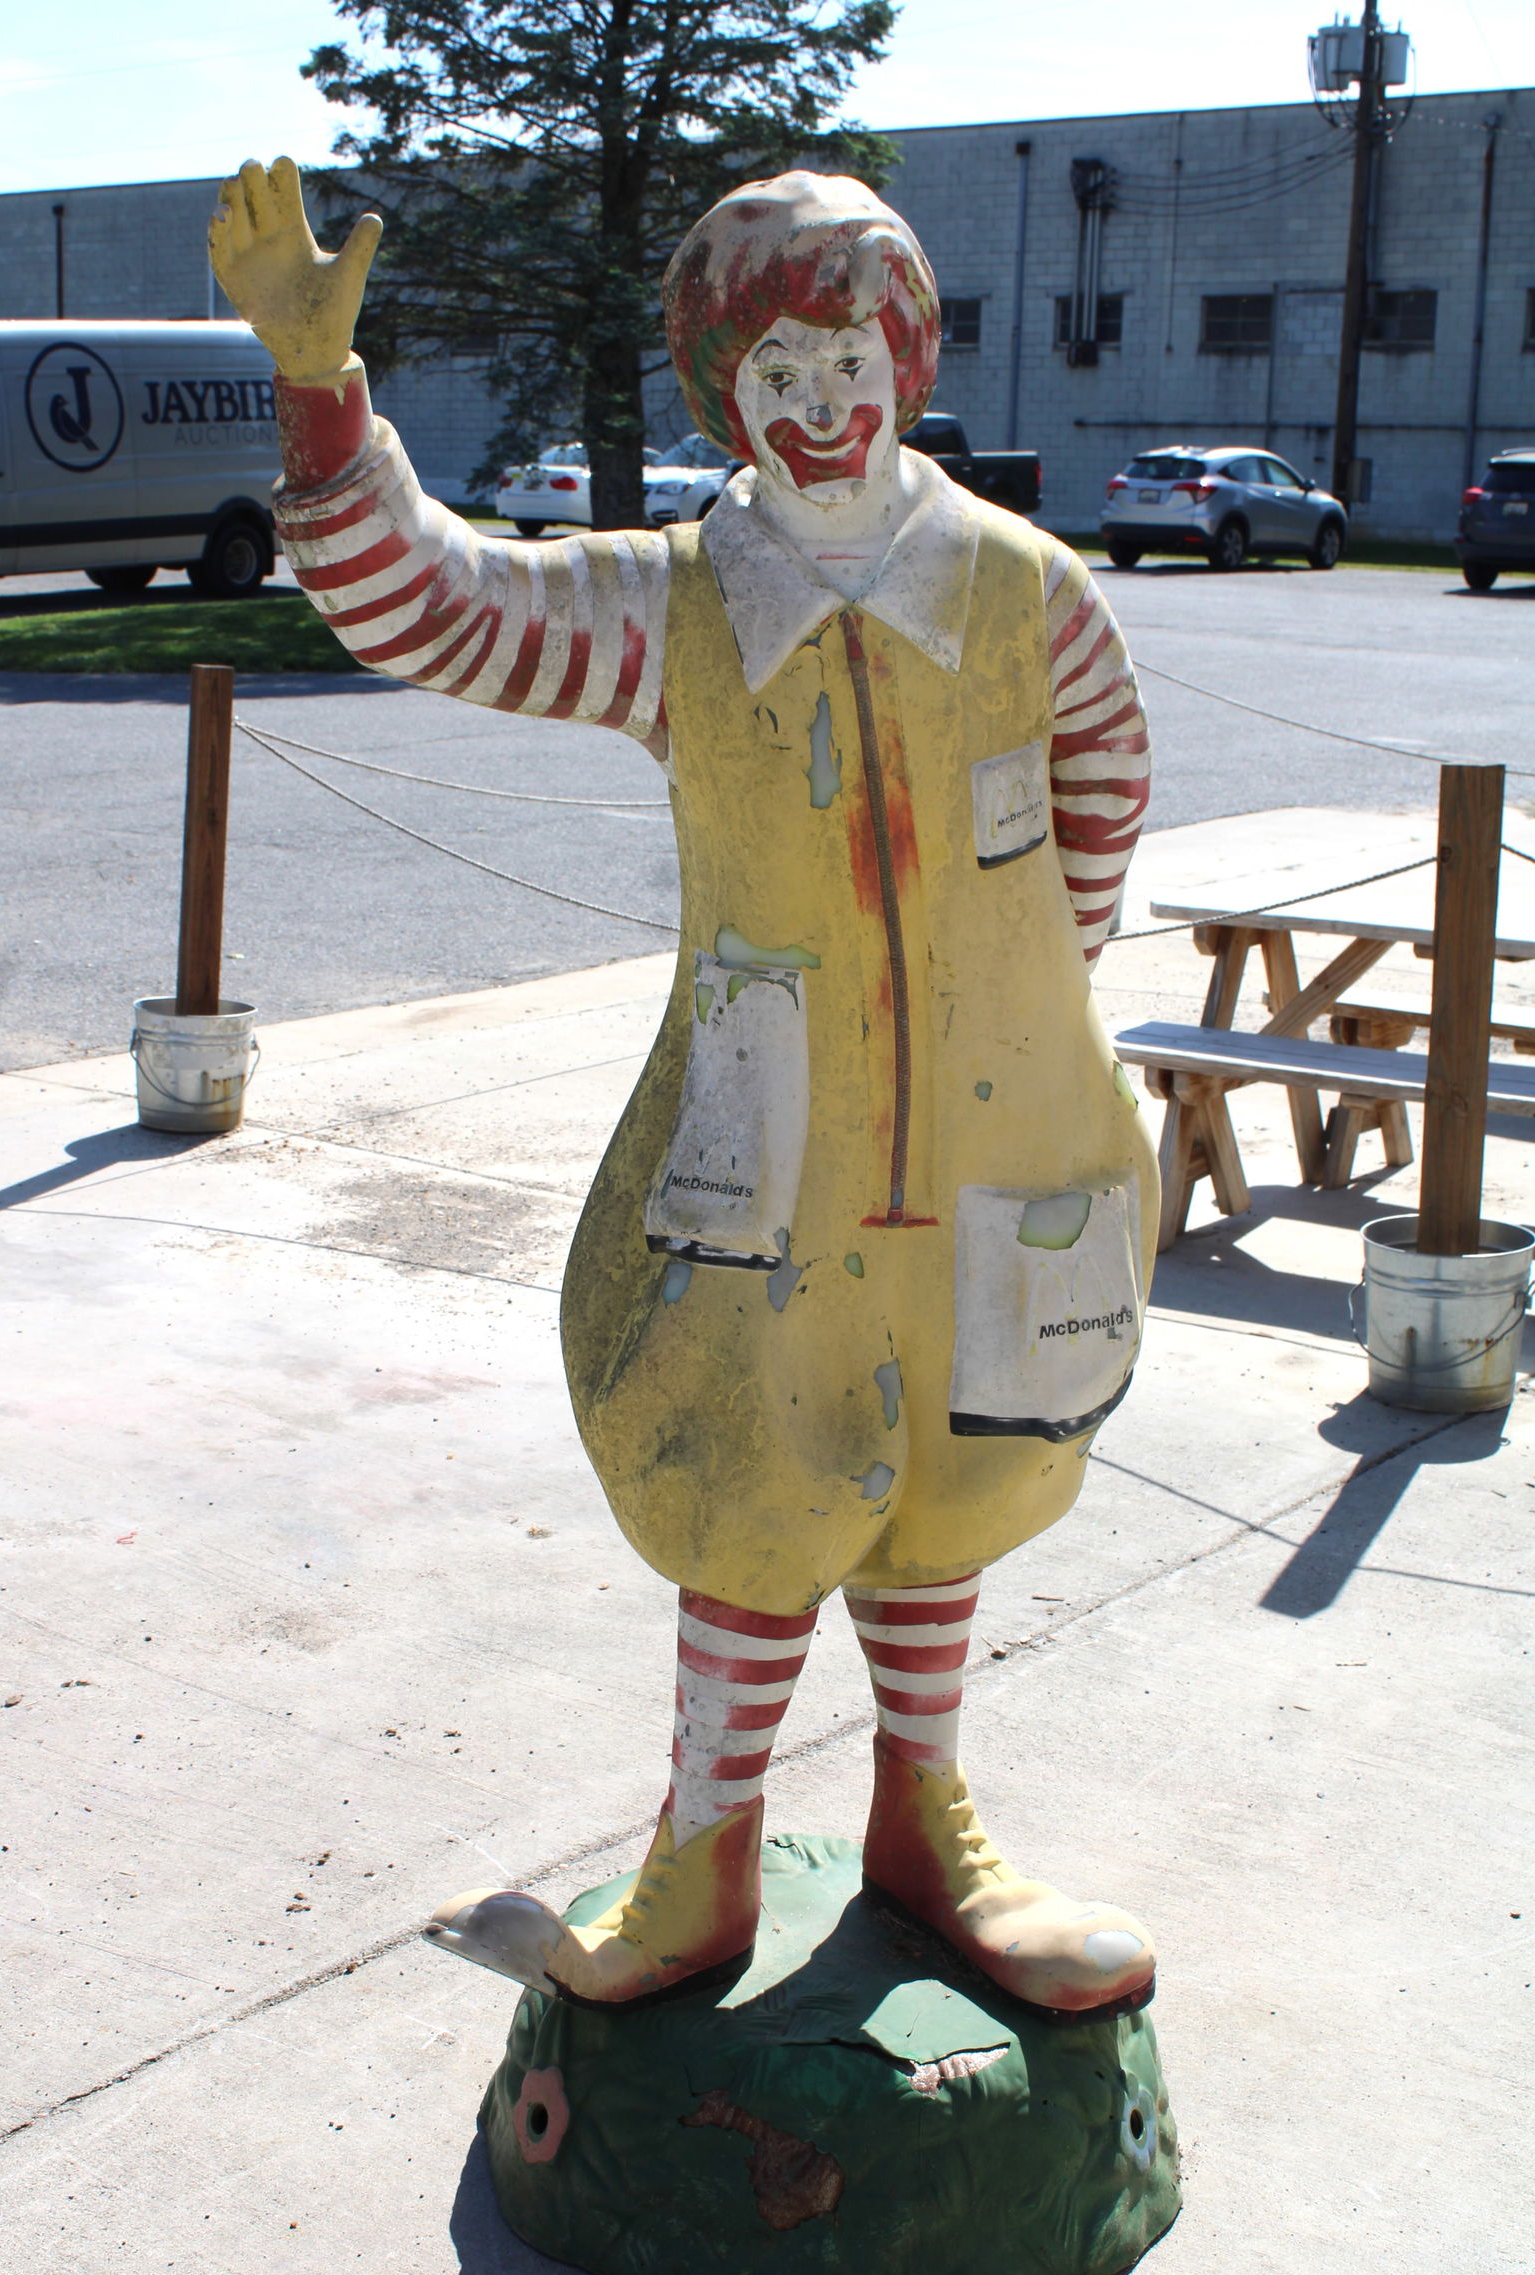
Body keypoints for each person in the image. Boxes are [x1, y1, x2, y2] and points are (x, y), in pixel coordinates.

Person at [210, 158, 1160, 2019]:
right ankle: (702, 1851)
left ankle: (927, 1815)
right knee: (753, 1477)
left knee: (959, 1472)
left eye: (844, 359)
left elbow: (1105, 804)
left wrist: (1027, 1032)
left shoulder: (1030, 595)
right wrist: (324, 394)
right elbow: (436, 604)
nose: (818, 408)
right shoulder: (678, 606)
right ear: (724, 395)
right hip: (766, 1146)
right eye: (774, 376)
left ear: (907, 353)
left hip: (992, 1141)